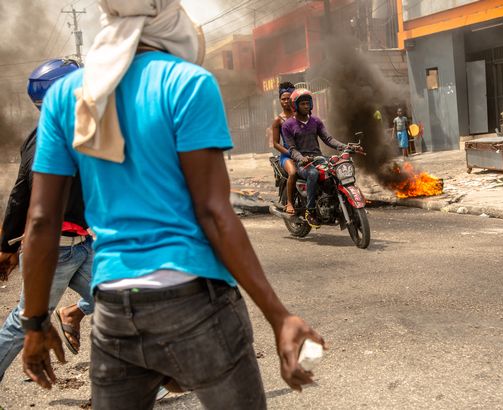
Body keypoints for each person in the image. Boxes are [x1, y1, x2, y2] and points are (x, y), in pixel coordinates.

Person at [19, 2, 323, 409]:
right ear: (165, 13)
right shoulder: (187, 83)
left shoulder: (65, 97)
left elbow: (40, 222)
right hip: (196, 304)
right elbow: (214, 212)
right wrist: (279, 316)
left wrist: (35, 322)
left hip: (114, 311)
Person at [0, 58, 95, 383]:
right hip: (55, 250)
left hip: (82, 245)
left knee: (126, 299)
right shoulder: (46, 138)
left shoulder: (77, 132)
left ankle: (145, 384)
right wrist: (6, 245)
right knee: (25, 321)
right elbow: (21, 193)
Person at [282, 89, 348, 228]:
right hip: (302, 162)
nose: (306, 106)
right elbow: (292, 149)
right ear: (295, 106)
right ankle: (310, 210)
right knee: (313, 173)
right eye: (303, 104)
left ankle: (340, 206)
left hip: (318, 158)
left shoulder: (316, 121)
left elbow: (328, 139)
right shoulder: (288, 125)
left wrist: (345, 147)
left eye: (308, 103)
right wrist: (301, 158)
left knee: (338, 168)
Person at [271, 82, 297, 214]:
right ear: (280, 101)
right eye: (283, 99)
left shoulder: (301, 115)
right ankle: (289, 203)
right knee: (293, 173)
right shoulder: (278, 120)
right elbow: (275, 143)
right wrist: (291, 153)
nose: (286, 101)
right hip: (287, 155)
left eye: (288, 98)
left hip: (304, 153)